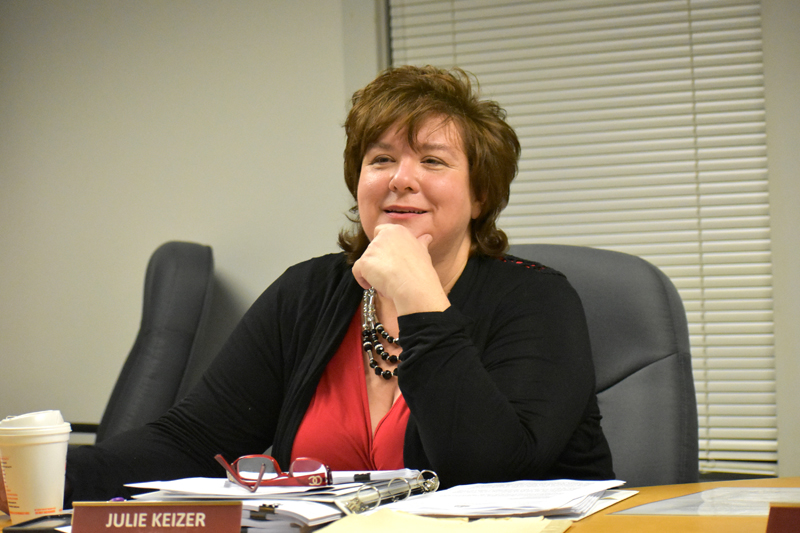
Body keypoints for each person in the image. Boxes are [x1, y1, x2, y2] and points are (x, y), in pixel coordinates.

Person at [1, 66, 613, 511]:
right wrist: (47, 476)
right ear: (358, 183)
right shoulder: (312, 292)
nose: (401, 179)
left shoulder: (539, 300)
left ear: (480, 195)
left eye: (432, 161)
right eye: (379, 160)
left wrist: (421, 297)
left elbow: (490, 476)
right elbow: (190, 439)